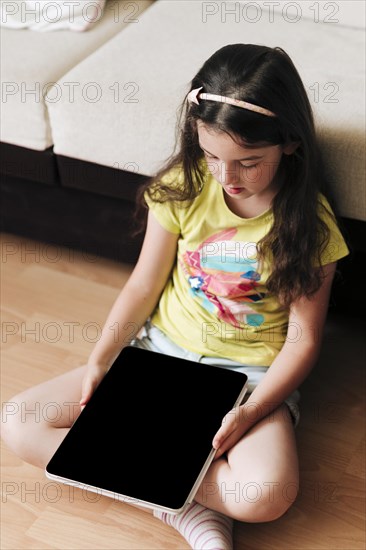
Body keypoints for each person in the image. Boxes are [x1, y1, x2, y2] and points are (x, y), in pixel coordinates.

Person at [1, 44, 349, 550]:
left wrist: (251, 413)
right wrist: (102, 359)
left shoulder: (309, 223)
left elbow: (303, 339)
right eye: (211, 156)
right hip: (158, 356)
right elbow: (144, 283)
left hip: (248, 379)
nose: (226, 177)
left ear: (290, 144)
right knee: (18, 423)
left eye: (248, 163)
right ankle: (187, 510)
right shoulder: (184, 187)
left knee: (266, 496)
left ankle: (148, 478)